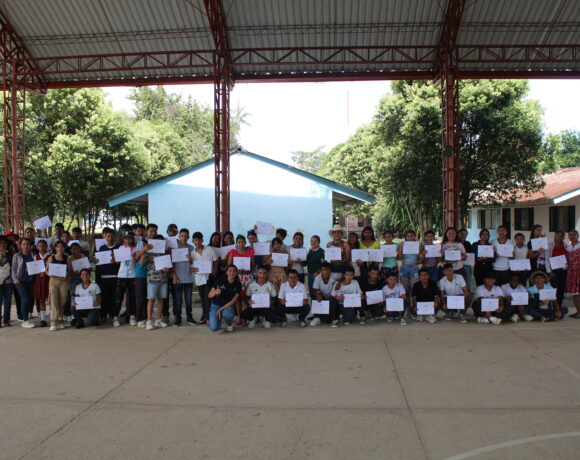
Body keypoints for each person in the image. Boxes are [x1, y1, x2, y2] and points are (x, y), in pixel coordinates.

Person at [140, 235, 170, 330]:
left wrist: (167, 269)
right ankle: (149, 321)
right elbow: (141, 263)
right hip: (152, 279)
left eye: (162, 242)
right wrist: (144, 251)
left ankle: (158, 320)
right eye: (158, 241)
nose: (160, 243)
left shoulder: (165, 253)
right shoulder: (149, 251)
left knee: (161, 299)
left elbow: (169, 267)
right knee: (151, 299)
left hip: (163, 279)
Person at [191, 231, 219, 324]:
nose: (198, 242)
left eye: (199, 240)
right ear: (193, 241)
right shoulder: (192, 253)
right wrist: (192, 269)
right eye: (196, 240)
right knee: (203, 298)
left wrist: (215, 270)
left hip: (208, 277)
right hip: (198, 278)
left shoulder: (209, 249)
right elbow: (191, 266)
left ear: (202, 240)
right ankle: (205, 315)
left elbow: (216, 261)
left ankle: (207, 318)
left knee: (208, 298)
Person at [227, 234, 255, 324]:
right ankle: (239, 317)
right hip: (237, 278)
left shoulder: (250, 252)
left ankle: (247, 317)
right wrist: (236, 271)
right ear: (236, 243)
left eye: (243, 242)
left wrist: (247, 271)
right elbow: (229, 266)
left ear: (245, 243)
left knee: (247, 298)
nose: (241, 244)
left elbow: (253, 267)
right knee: (238, 298)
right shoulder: (233, 252)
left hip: (248, 277)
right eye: (239, 242)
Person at [95, 227, 121, 326]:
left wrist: (116, 261)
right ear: (104, 236)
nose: (110, 238)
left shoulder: (118, 247)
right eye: (108, 236)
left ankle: (114, 316)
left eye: (112, 236)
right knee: (105, 298)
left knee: (115, 298)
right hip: (104, 277)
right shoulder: (101, 248)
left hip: (115, 276)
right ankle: (104, 315)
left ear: (114, 236)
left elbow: (121, 262)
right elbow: (99, 263)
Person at [133, 224, 157, 327]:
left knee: (149, 297)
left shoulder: (157, 243)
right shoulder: (140, 242)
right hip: (141, 272)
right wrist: (144, 249)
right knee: (141, 297)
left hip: (152, 273)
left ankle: (148, 318)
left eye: (155, 231)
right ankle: (139, 318)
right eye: (151, 231)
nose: (153, 233)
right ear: (146, 232)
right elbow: (136, 257)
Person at [208, 264, 241, 332]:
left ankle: (229, 324)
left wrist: (220, 310)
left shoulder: (238, 284)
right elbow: (209, 295)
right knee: (214, 328)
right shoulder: (219, 280)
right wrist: (215, 293)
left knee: (227, 315)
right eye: (230, 271)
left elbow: (232, 301)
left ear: (236, 273)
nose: (232, 273)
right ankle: (218, 320)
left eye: (234, 271)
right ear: (226, 272)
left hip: (228, 306)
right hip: (216, 305)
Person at [11, 238, 36, 328]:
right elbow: (13, 269)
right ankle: (25, 320)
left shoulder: (33, 255)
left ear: (30, 246)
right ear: (20, 246)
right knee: (25, 299)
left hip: (30, 281)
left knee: (28, 299)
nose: (25, 246)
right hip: (20, 281)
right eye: (24, 244)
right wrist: (15, 279)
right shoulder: (17, 256)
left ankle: (26, 317)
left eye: (27, 244)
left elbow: (37, 267)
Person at [46, 240, 70, 331]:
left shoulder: (67, 258)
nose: (60, 248)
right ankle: (54, 321)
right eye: (58, 247)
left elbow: (69, 270)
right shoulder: (51, 257)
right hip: (54, 281)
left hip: (63, 281)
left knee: (63, 300)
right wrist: (52, 274)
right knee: (54, 300)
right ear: (55, 248)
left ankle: (61, 319)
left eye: (62, 247)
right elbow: (47, 270)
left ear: (64, 248)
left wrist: (66, 276)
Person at [172, 228, 194, 326]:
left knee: (188, 300)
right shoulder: (175, 247)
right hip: (178, 277)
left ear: (188, 237)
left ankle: (189, 318)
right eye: (182, 236)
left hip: (188, 278)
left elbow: (194, 263)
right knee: (177, 300)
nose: (184, 238)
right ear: (179, 236)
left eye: (186, 236)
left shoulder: (191, 248)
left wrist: (191, 259)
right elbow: (172, 262)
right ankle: (178, 319)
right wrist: (174, 275)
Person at [399, 230, 422, 316]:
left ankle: (415, 308)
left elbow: (419, 261)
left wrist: (420, 253)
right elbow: (400, 257)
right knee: (405, 289)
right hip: (404, 267)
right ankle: (407, 309)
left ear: (415, 236)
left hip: (414, 268)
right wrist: (401, 248)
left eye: (412, 235)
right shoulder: (402, 244)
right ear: (406, 237)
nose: (410, 237)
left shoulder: (418, 245)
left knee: (414, 289)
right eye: (408, 236)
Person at [116, 234, 137, 325]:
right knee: (118, 297)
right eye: (126, 239)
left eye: (130, 239)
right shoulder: (120, 248)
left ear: (132, 240)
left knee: (132, 297)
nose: (128, 241)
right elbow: (117, 261)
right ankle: (115, 317)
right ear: (123, 239)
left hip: (132, 275)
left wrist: (134, 255)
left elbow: (137, 259)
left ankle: (132, 316)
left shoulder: (136, 248)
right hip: (121, 275)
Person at [310, 262, 338, 326]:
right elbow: (314, 290)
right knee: (314, 298)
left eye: (327, 270)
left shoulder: (335, 276)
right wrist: (318, 294)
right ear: (320, 270)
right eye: (323, 270)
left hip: (332, 298)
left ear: (330, 270)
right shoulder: (317, 278)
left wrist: (339, 283)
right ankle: (317, 318)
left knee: (327, 321)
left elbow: (343, 277)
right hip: (323, 298)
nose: (325, 272)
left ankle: (334, 319)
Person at [545, 231, 567, 308]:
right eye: (558, 236)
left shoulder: (565, 245)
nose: (559, 237)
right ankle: (552, 307)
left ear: (564, 237)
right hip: (553, 271)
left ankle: (558, 308)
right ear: (554, 236)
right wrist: (549, 271)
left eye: (562, 236)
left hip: (563, 271)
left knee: (561, 290)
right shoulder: (550, 245)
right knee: (554, 290)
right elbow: (547, 259)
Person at [32, 239, 50, 327]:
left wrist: (46, 272)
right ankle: (43, 319)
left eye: (43, 245)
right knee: (41, 300)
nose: (42, 247)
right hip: (38, 280)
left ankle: (52, 317)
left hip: (49, 280)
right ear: (37, 247)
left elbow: (53, 268)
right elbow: (32, 268)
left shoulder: (51, 256)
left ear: (47, 246)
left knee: (50, 299)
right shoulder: (35, 256)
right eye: (39, 246)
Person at [565, 229, 580, 318]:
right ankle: (578, 311)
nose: (572, 236)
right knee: (575, 293)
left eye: (574, 234)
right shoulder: (568, 248)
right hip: (572, 272)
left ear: (578, 236)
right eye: (570, 235)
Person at [0, 236, 14, 327]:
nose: (2, 245)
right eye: (0, 243)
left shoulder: (11, 255)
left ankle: (6, 319)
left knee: (7, 300)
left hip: (8, 280)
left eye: (4, 243)